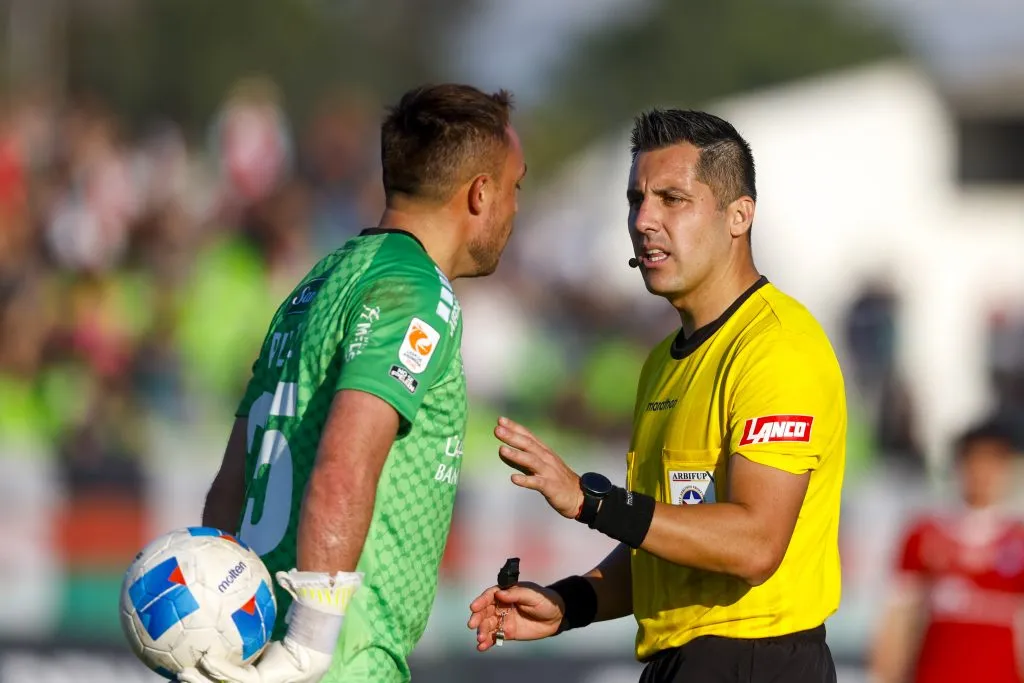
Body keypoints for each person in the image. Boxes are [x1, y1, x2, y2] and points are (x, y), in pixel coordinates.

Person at [467, 109, 846, 683]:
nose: (644, 220)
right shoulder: (660, 363)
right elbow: (669, 539)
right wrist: (572, 602)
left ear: (739, 216)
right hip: (681, 664)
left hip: (757, 661)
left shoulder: (777, 347)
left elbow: (753, 544)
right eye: (635, 199)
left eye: (673, 199)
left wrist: (590, 501)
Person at [180, 83, 526, 683]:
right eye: (515, 188)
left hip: (259, 649)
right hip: (336, 662)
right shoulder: (417, 291)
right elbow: (345, 463)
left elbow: (232, 482)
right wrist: (310, 645)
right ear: (480, 193)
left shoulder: (315, 284)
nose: (517, 208)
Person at [870, 419, 1024, 683]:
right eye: (975, 460)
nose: (983, 472)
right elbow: (900, 617)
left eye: (994, 461)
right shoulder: (926, 535)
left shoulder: (1018, 539)